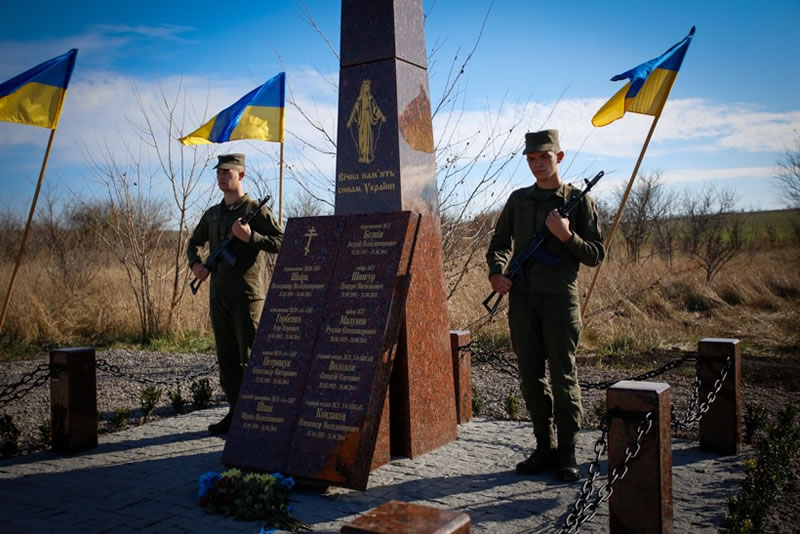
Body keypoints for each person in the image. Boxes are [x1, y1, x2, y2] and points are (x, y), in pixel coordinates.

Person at [486, 130, 604, 481]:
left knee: (563, 376)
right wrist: (496, 274)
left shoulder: (578, 201)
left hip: (559, 300)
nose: (537, 164)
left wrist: (567, 235)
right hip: (522, 299)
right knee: (530, 377)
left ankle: (567, 451)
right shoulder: (519, 200)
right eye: (532, 159)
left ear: (560, 157)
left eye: (544, 157)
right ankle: (543, 447)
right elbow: (499, 243)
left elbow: (596, 254)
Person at [187, 153, 283, 435]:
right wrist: (195, 265)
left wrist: (250, 237)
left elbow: (281, 241)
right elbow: (193, 242)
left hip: (247, 296)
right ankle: (234, 412)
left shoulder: (254, 209)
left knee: (251, 357)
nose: (221, 176)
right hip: (219, 297)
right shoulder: (213, 214)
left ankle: (259, 415)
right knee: (227, 359)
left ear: (241, 175)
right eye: (218, 172)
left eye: (227, 172)